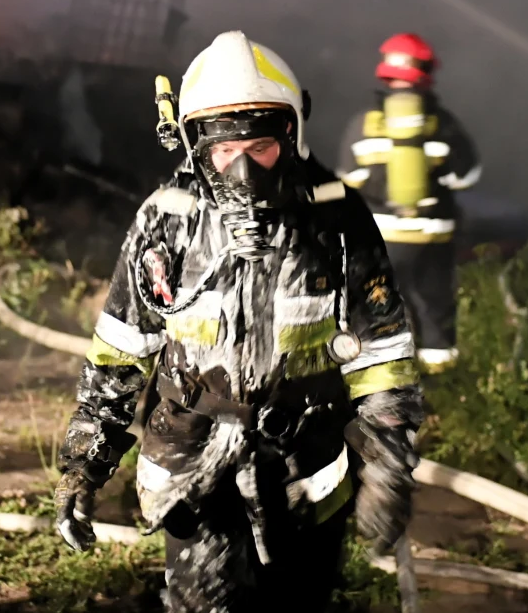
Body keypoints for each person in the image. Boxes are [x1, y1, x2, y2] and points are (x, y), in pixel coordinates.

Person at [51, 30, 425, 612]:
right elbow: (122, 351)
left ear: (292, 134)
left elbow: (381, 350)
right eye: (225, 151)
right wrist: (83, 467)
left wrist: (388, 463)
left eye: (261, 147)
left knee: (301, 602)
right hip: (190, 464)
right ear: (194, 146)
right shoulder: (165, 222)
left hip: (308, 459)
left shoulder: (336, 216)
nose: (243, 168)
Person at [334, 32, 481, 375]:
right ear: (426, 71)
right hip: (433, 236)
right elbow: (467, 175)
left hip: (382, 237)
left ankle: (378, 381)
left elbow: (348, 180)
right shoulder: (443, 124)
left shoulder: (364, 124)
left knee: (376, 309)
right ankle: (440, 383)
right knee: (435, 306)